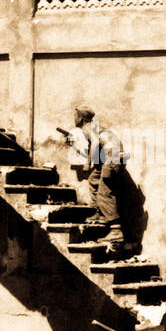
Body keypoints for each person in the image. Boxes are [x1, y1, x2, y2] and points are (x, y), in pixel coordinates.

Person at [65, 105, 128, 253]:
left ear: (81, 117)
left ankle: (115, 232)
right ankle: (98, 213)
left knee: (105, 193)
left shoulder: (91, 126)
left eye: (76, 116)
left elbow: (94, 145)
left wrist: (87, 163)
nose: (74, 119)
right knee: (94, 179)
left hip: (112, 157)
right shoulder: (93, 128)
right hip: (111, 157)